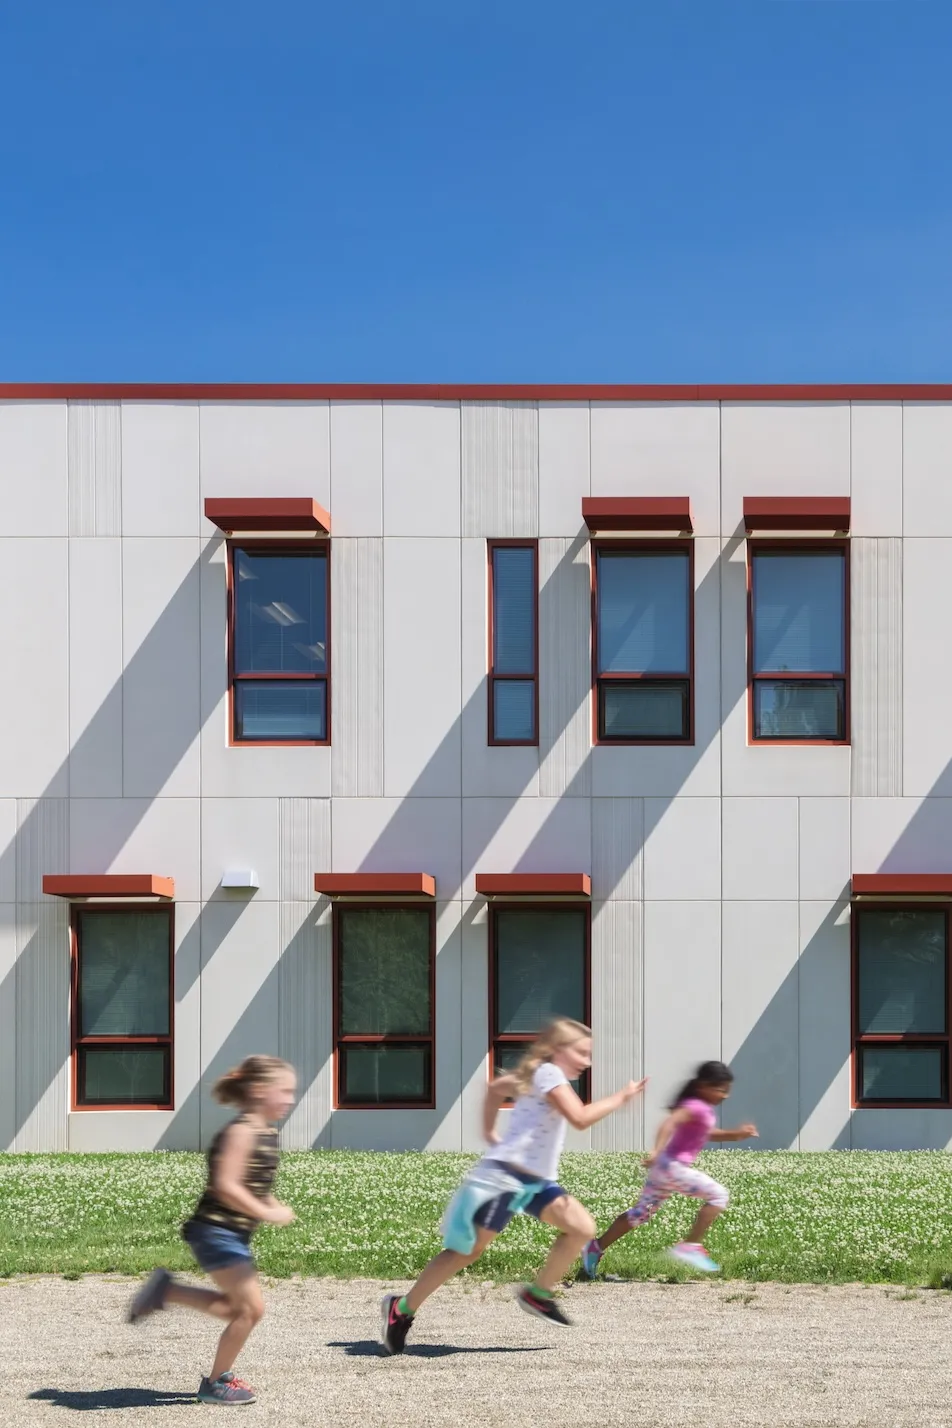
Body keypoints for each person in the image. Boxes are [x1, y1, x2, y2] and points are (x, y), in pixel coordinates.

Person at [380, 1017, 646, 1354]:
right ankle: (400, 1310)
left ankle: (538, 1294)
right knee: (467, 1252)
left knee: (581, 1227)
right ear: (558, 1050)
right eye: (582, 1053)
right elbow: (579, 1118)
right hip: (504, 1179)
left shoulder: (540, 1076)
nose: (587, 1061)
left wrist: (491, 1131)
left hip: (534, 1182)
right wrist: (622, 1097)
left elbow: (494, 1089)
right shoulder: (549, 1074)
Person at [127, 1055, 298, 1406]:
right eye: (284, 1091)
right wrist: (266, 1211)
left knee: (235, 1309)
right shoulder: (240, 1132)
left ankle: (167, 1291)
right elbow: (225, 1185)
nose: (290, 1099)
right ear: (258, 1091)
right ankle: (216, 1382)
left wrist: (273, 1202)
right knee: (251, 1310)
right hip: (215, 1231)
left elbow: (256, 1183)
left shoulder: (266, 1133)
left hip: (230, 1234)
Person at [580, 1059, 756, 1278]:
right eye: (721, 1090)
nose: (725, 1095)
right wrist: (655, 1150)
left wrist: (736, 1135)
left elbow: (706, 1133)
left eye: (727, 1090)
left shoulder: (699, 1108)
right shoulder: (695, 1106)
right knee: (719, 1196)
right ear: (703, 1086)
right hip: (673, 1167)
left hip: (663, 1168)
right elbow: (669, 1123)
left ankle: (595, 1248)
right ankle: (690, 1245)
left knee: (639, 1214)